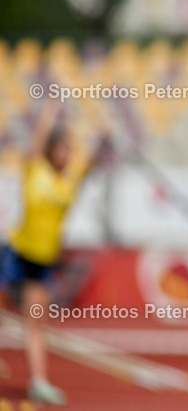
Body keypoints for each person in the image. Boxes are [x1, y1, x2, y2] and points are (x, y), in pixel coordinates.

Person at [1, 101, 109, 406]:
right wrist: (49, 112)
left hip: (43, 262)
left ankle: (39, 382)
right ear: (51, 151)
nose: (66, 155)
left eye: (68, 150)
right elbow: (35, 142)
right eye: (61, 149)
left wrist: (103, 137)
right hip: (16, 254)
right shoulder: (34, 170)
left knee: (35, 321)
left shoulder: (69, 183)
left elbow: (91, 164)